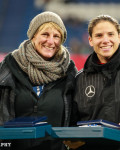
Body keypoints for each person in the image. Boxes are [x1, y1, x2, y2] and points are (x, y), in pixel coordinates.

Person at [70, 14, 120, 150]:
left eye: (110, 34)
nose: (105, 40)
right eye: (99, 35)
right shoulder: (79, 79)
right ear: (90, 40)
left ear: (119, 37)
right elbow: (73, 125)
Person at [0, 11, 77, 150]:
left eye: (56, 36)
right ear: (33, 35)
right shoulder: (10, 66)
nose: (51, 41)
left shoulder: (69, 72)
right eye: (45, 34)